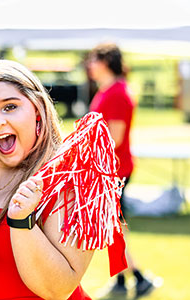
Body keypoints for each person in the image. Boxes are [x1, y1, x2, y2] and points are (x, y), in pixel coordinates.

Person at [0, 60, 100, 299]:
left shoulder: (68, 182)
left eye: (10, 107)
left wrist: (22, 220)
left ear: (37, 110)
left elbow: (59, 289)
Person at [87, 43, 154, 298]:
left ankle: (136, 277)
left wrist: (82, 146)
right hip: (108, 170)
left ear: (106, 62)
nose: (90, 65)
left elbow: (113, 138)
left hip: (114, 171)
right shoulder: (108, 90)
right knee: (111, 227)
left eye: (94, 59)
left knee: (112, 227)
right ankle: (124, 279)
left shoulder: (116, 92)